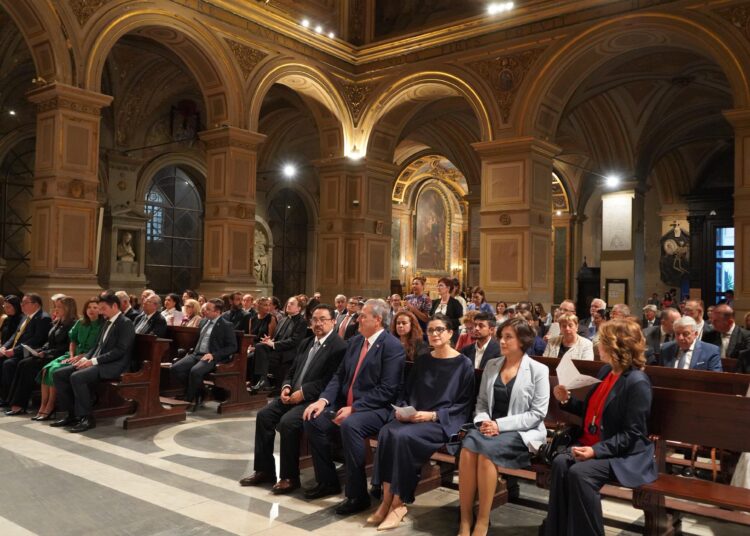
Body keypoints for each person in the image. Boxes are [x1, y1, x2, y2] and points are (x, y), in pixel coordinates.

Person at [545, 319, 657, 536]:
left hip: (623, 454)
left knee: (580, 473)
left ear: (617, 346)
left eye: (603, 342)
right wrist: (566, 400)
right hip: (594, 443)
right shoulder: (606, 371)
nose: (598, 346)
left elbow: (633, 434)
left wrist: (595, 451)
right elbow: (592, 413)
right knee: (559, 463)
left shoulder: (637, 382)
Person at [370, 314, 475, 531]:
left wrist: (433, 415)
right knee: (387, 432)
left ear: (450, 333)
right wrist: (402, 411)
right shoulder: (424, 360)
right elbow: (406, 392)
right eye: (431, 330)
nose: (434, 334)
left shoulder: (463, 364)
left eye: (439, 330)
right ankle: (386, 500)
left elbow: (463, 405)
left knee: (402, 437)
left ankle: (398, 504)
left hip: (441, 422)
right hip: (415, 417)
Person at [303, 299, 404, 515]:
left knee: (351, 425)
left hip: (378, 409)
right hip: (347, 404)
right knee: (313, 419)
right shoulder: (356, 341)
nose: (358, 319)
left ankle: (357, 496)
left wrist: (355, 408)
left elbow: (387, 390)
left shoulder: (392, 346)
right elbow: (339, 376)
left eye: (363, 316)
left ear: (377, 320)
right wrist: (323, 400)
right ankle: (328, 481)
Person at [239, 304, 346, 494]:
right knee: (264, 416)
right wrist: (286, 386)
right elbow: (292, 370)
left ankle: (289, 477)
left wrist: (303, 393)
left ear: (333, 321)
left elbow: (330, 381)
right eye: (315, 319)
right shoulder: (307, 342)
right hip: (293, 394)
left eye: (323, 320)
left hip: (315, 400)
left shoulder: (339, 347)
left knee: (288, 422)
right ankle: (264, 470)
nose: (318, 323)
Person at [459, 318, 549, 536]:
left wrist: (498, 425)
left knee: (486, 454)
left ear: (523, 341)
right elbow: (481, 403)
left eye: (509, 337)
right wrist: (484, 421)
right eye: (501, 336)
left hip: (520, 431)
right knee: (467, 449)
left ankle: (482, 520)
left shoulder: (538, 370)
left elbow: (537, 414)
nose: (502, 341)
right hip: (488, 428)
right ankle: (465, 519)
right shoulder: (492, 365)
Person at [52, 291, 135, 432]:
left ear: (114, 306)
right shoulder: (106, 322)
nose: (101, 312)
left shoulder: (125, 323)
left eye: (103, 308)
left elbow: (120, 351)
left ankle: (87, 418)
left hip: (115, 365)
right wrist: (85, 358)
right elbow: (96, 346)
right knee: (59, 374)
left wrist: (93, 361)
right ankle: (71, 414)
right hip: (99, 362)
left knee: (78, 377)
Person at [4, 296, 76, 416]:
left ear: (68, 308)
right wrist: (40, 350)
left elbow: (65, 347)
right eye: (55, 307)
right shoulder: (58, 322)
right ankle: (15, 402)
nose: (55, 309)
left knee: (27, 365)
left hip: (57, 356)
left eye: (59, 307)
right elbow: (49, 341)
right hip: (48, 353)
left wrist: (46, 353)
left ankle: (20, 404)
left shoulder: (72, 324)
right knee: (23, 363)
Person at [38, 297, 102, 421]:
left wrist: (81, 356)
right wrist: (72, 356)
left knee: (54, 370)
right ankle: (43, 405)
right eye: (89, 307)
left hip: (88, 356)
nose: (91, 310)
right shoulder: (81, 322)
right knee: (46, 369)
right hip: (73, 354)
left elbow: (97, 347)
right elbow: (72, 341)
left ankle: (51, 406)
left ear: (100, 310)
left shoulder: (102, 325)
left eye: (95, 307)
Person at [170, 298, 237, 411]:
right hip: (196, 354)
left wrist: (214, 355)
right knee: (175, 368)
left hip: (211, 357)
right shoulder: (203, 321)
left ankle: (189, 398)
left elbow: (232, 346)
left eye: (208, 309)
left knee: (195, 371)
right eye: (205, 308)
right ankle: (200, 392)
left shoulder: (226, 325)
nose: (204, 311)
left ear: (217, 311)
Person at [0, 293, 53, 406]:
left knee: (8, 364)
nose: (22, 305)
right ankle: (3, 396)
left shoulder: (43, 318)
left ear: (36, 304)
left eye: (25, 303)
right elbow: (15, 335)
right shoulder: (26, 317)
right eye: (21, 303)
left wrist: (15, 350)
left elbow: (36, 340)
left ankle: (7, 399)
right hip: (17, 349)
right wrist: (4, 347)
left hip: (27, 352)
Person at [250, 296, 307, 393]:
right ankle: (261, 380)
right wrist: (269, 341)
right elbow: (277, 338)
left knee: (261, 354)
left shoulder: (301, 322)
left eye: (292, 304)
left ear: (299, 308)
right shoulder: (283, 320)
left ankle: (263, 381)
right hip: (278, 348)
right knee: (259, 347)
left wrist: (273, 344)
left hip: (289, 352)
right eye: (288, 303)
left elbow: (294, 341)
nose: (288, 305)